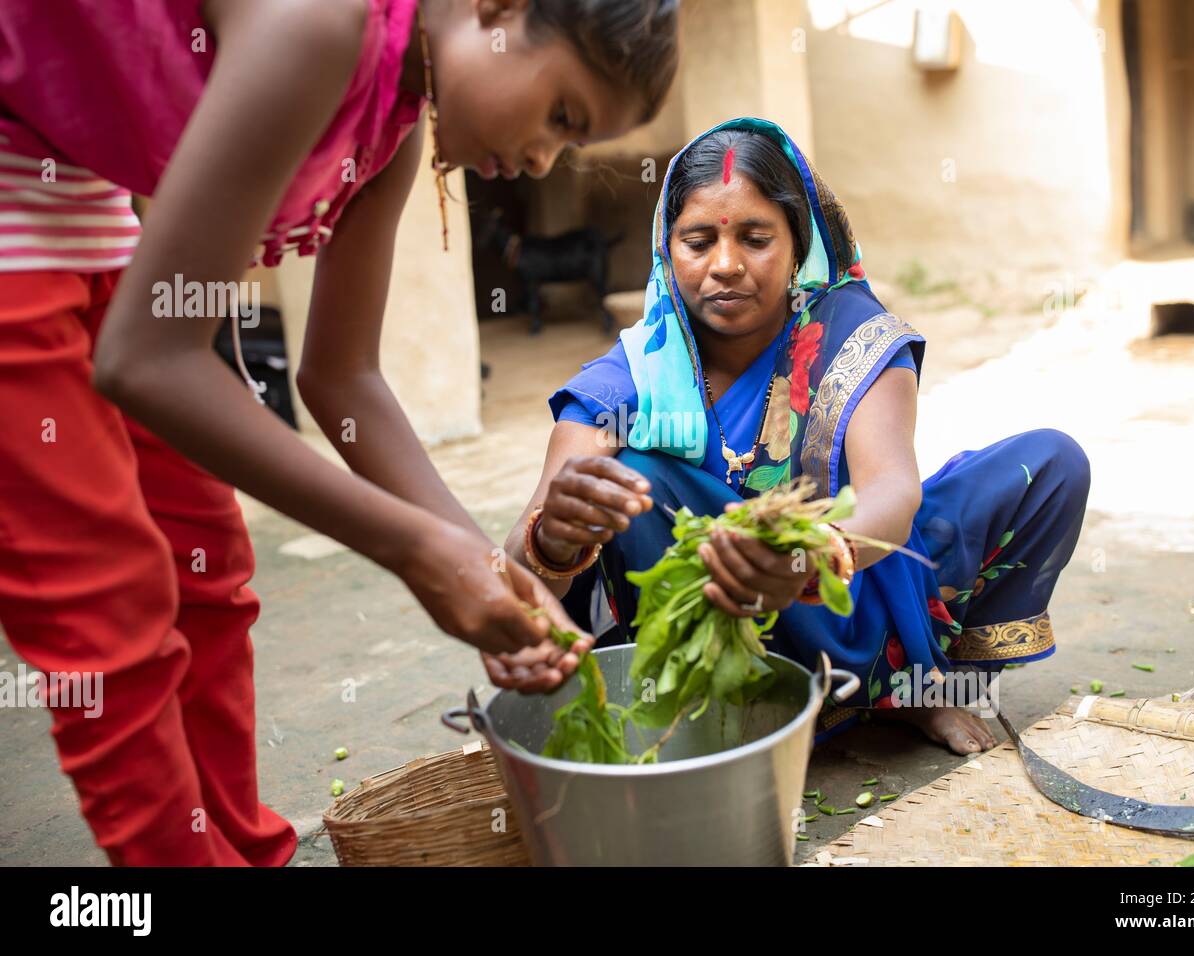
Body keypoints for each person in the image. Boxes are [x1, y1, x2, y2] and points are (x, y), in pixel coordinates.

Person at [0, 0, 679, 865]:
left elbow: (341, 375)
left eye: (569, 145)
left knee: (206, 561)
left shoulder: (391, 128)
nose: (544, 158)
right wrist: (415, 550)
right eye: (561, 115)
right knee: (111, 605)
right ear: (498, 10)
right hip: (17, 150)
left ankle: (244, 850)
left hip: (76, 172)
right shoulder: (320, 23)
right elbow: (147, 360)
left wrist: (489, 568)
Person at [488, 118, 1091, 756]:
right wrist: (554, 536)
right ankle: (720, 713)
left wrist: (806, 557)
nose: (725, 266)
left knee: (1051, 464)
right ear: (667, 250)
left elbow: (892, 491)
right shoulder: (628, 378)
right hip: (721, 628)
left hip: (850, 591)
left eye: (755, 238)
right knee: (632, 479)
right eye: (697, 242)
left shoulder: (850, 334)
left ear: (797, 246)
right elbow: (519, 573)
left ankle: (915, 692)